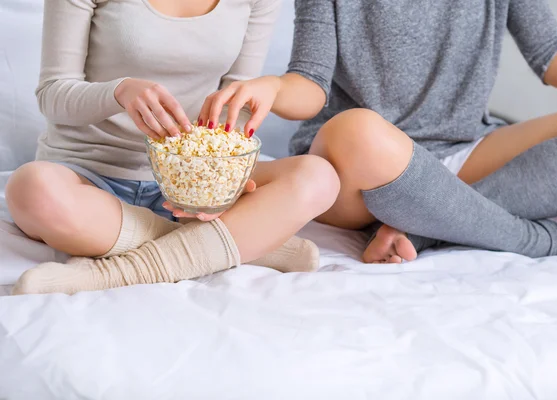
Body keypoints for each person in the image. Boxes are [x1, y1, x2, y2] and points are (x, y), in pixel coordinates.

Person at [198, 0, 557, 263]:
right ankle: (546, 241)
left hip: (465, 149)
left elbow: (551, 52)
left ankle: (423, 230)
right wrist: (275, 87)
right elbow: (310, 79)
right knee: (358, 130)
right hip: (361, 170)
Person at [7, 0, 340, 295]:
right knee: (31, 189)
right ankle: (236, 244)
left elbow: (232, 106)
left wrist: (221, 183)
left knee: (318, 177)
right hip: (87, 173)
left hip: (190, 179)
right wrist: (118, 91)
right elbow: (53, 94)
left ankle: (117, 272)